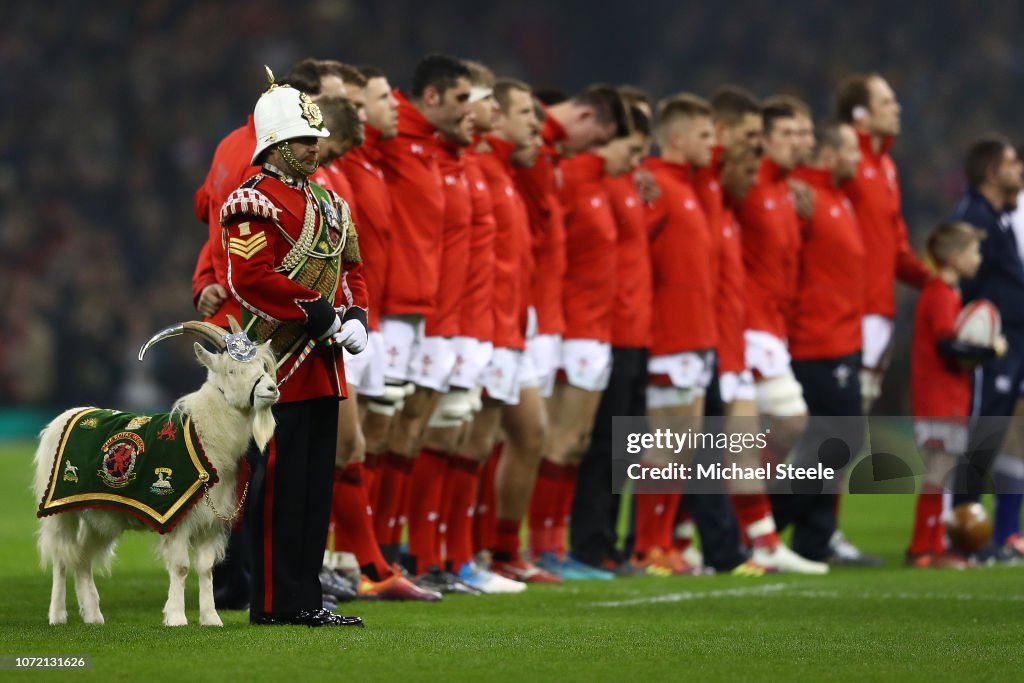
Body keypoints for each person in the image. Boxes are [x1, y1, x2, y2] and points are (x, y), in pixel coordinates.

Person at [220, 70, 368, 627]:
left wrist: (357, 316)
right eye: (307, 139)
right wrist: (319, 311)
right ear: (278, 144)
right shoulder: (251, 202)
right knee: (280, 486)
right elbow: (249, 278)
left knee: (313, 487)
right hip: (279, 362)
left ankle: (305, 597)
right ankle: (275, 602)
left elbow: (351, 270)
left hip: (324, 363)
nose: (317, 146)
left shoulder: (329, 203)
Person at [528, 89, 637, 579]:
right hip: (568, 327)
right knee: (554, 440)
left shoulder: (594, 180)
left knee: (576, 443)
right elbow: (551, 255)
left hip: (595, 329)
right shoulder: (569, 175)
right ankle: (540, 547)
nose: (631, 158)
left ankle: (555, 547)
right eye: (626, 147)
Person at [777, 120, 867, 571]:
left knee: (830, 444)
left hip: (844, 340)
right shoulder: (802, 198)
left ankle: (813, 540)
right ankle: (769, 522)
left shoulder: (839, 198)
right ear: (829, 156)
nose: (859, 159)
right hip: (816, 340)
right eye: (852, 150)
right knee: (840, 442)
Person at [836, 73, 931, 413]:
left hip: (880, 312)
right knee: (826, 424)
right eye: (887, 102)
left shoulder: (887, 167)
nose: (897, 108)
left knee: (850, 425)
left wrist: (934, 281)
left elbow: (896, 248)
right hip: (843, 313)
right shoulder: (843, 162)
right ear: (861, 115)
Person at [907, 222, 1000, 567]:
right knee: (938, 473)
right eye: (974, 251)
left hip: (947, 397)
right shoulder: (940, 294)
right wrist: (991, 350)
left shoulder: (946, 292)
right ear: (955, 257)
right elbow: (948, 345)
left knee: (942, 475)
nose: (979, 258)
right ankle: (922, 548)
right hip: (938, 398)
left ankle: (934, 544)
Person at [950, 136, 1024, 559]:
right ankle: (963, 533)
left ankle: (972, 533)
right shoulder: (976, 216)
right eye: (1013, 162)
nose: (1019, 169)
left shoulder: (995, 217)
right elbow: (968, 284)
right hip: (995, 348)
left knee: (990, 439)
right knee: (981, 438)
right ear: (992, 172)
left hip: (1011, 344)